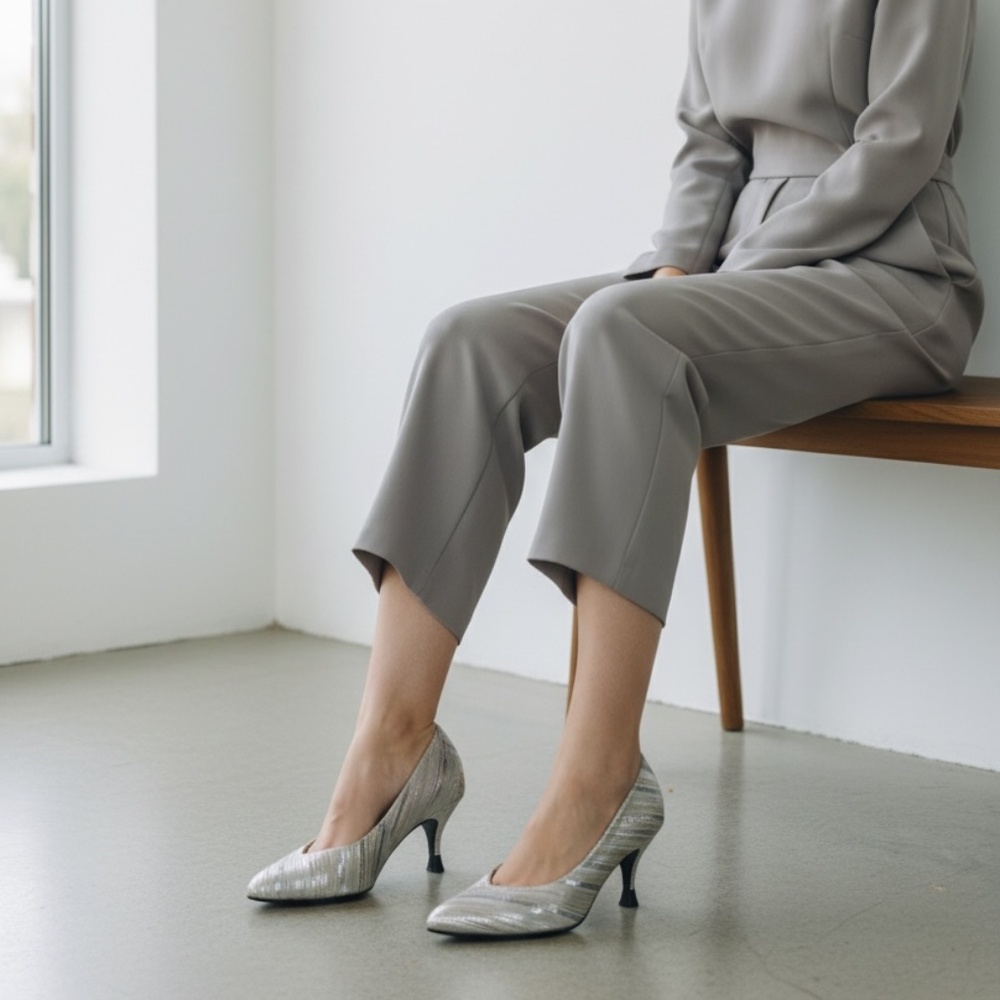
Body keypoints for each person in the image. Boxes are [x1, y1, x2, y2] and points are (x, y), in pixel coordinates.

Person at [247, 0, 984, 939]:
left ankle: (599, 779)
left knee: (624, 335)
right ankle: (392, 751)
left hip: (892, 272)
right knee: (469, 343)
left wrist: (734, 272)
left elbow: (902, 145)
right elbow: (710, 144)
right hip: (734, 268)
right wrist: (679, 267)